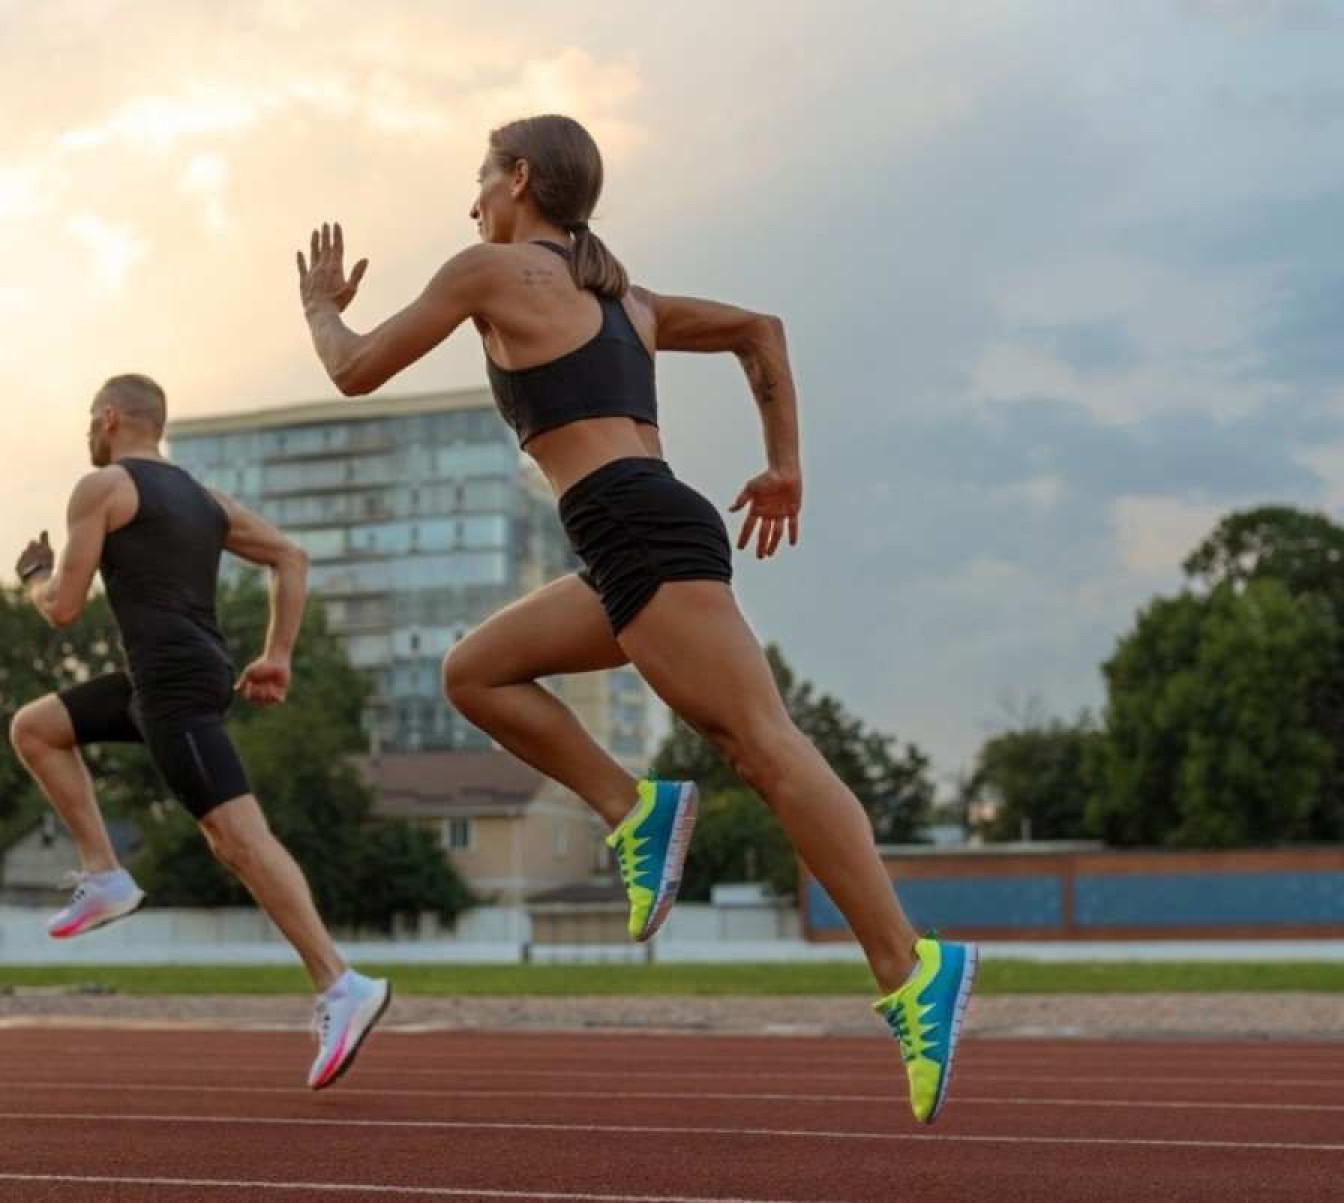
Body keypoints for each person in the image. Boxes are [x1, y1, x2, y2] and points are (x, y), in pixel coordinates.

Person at [294, 115, 975, 1123]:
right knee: (475, 672)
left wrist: (317, 307)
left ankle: (910, 968)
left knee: (766, 748)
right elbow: (761, 331)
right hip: (630, 535)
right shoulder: (629, 302)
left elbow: (352, 370)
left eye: (480, 181)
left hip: (635, 527)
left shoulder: (490, 272)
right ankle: (633, 810)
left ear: (519, 180)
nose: (470, 202)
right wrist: (783, 462)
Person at [7, 373, 390, 1090]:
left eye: (91, 419)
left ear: (112, 417)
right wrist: (276, 654)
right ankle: (104, 873)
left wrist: (34, 573)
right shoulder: (205, 499)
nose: (87, 433)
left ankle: (341, 983)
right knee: (35, 727)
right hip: (175, 677)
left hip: (173, 685)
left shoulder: (102, 489)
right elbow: (291, 557)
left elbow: (61, 606)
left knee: (239, 840)